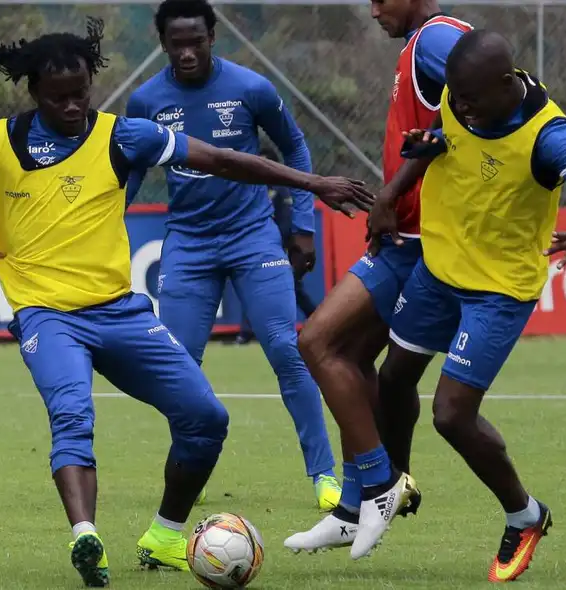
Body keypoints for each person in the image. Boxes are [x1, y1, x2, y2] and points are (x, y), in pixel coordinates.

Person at [0, 17, 373, 588]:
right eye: (58, 98)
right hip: (46, 316)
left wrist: (313, 185)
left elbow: (221, 159)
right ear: (34, 93)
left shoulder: (124, 135)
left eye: (81, 94)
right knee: (73, 414)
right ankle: (85, 535)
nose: (72, 107)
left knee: (206, 418)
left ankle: (166, 535)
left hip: (119, 311)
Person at [370, 29, 566, 580]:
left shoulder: (548, 135)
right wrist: (393, 191)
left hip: (499, 289)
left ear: (506, 84)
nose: (459, 107)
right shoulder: (460, 95)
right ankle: (394, 485)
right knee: (391, 380)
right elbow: (441, 135)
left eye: (470, 100)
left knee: (450, 414)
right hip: (440, 268)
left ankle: (525, 514)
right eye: (454, 97)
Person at [127, 0, 370, 511]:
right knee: (178, 367)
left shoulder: (251, 89)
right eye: (177, 43)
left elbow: (296, 150)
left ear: (213, 37)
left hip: (252, 237)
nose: (187, 52)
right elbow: (126, 175)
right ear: (164, 44)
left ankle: (324, 476)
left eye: (197, 41)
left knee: (287, 347)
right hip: (188, 244)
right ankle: (188, 477)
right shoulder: (145, 101)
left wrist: (302, 225)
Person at [287, 0, 471, 554]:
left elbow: (492, 99)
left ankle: (383, 482)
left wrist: (392, 193)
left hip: (420, 245)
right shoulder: (420, 47)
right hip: (400, 238)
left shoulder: (438, 39)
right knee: (345, 355)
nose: (371, 11)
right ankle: (350, 507)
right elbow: (459, 117)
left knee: (318, 342)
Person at [236, 146, 318, 345]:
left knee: (289, 289)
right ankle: (246, 333)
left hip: (278, 248)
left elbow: (286, 220)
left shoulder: (280, 190)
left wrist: (280, 243)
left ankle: (320, 322)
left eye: (264, 162)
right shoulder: (251, 190)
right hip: (259, 246)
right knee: (261, 288)